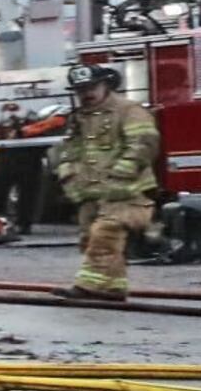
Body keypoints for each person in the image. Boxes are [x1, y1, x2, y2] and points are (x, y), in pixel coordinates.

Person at [49, 58, 161, 301]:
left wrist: (121, 174)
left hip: (127, 192)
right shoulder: (79, 118)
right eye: (81, 90)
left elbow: (143, 145)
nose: (86, 94)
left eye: (91, 88)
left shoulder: (129, 111)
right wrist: (69, 177)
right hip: (92, 192)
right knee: (91, 240)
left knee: (104, 236)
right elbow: (70, 151)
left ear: (105, 85)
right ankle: (114, 288)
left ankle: (86, 286)